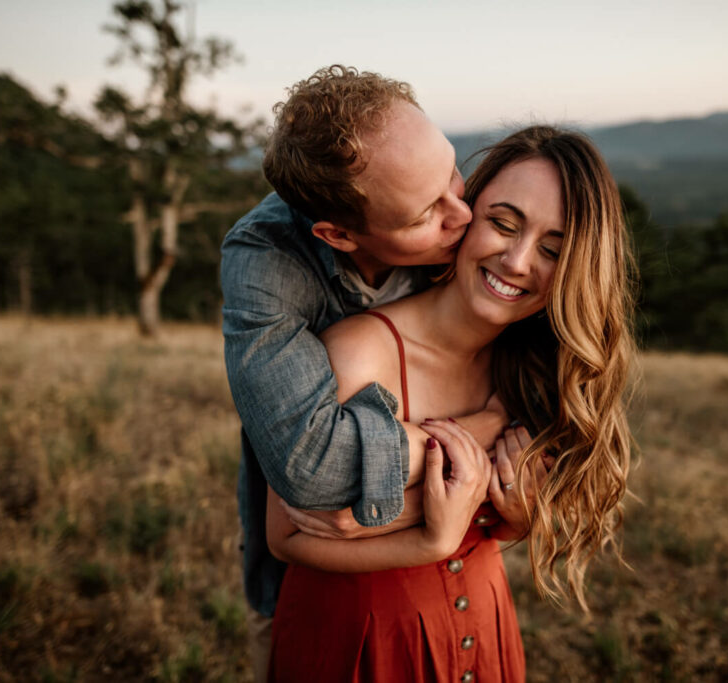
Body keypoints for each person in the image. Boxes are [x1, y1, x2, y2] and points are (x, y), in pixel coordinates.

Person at [265, 126, 636, 682]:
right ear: (465, 214)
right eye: (503, 224)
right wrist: (429, 541)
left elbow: (499, 521)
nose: (516, 260)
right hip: (364, 644)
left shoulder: (535, 368)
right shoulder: (359, 354)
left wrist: (515, 520)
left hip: (485, 628)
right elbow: (285, 536)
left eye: (553, 250)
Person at [220, 66, 509, 683]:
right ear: (338, 235)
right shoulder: (266, 262)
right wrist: (489, 427)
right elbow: (311, 470)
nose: (464, 216)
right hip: (321, 586)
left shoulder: (465, 219)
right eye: (424, 214)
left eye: (452, 173)